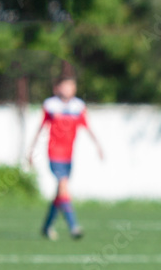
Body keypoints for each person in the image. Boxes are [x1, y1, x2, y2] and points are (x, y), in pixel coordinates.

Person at [26, 64, 103, 240]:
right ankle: (73, 226)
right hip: (54, 153)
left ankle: (46, 227)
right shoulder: (51, 105)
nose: (69, 89)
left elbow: (88, 127)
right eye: (66, 86)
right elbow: (40, 128)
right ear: (57, 88)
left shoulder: (78, 106)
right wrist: (31, 151)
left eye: (72, 86)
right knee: (63, 186)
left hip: (69, 155)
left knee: (60, 192)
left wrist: (98, 146)